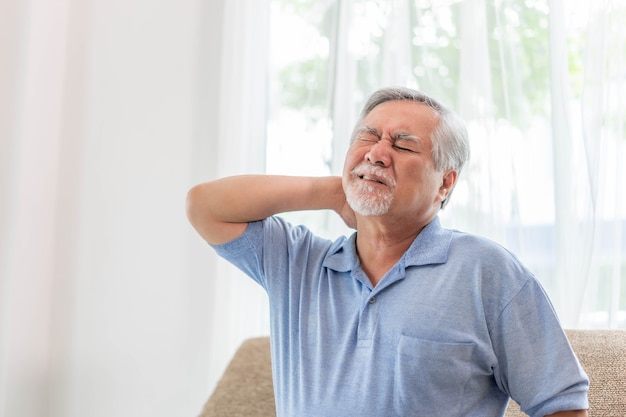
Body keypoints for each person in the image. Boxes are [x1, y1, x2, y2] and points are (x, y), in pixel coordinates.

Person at [186, 87, 589, 417]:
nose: (378, 152)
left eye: (403, 145)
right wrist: (333, 190)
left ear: (445, 184)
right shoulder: (298, 264)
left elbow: (562, 405)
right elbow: (205, 206)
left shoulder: (485, 270)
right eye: (368, 137)